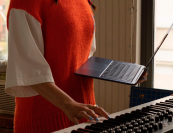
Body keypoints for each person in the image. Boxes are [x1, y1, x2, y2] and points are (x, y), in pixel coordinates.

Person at [5, 0, 148, 132]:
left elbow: (83, 56)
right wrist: (69, 104)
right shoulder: (25, 2)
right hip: (45, 120)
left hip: (84, 113)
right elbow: (26, 69)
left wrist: (123, 72)